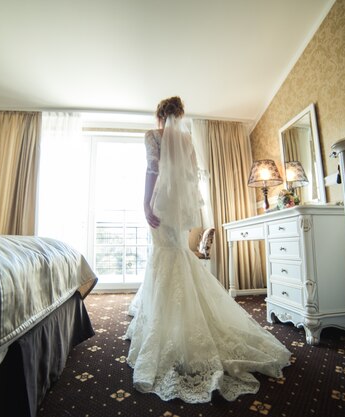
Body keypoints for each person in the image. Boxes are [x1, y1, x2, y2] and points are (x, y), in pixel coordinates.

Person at [125, 96, 291, 403]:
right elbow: (191, 178)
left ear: (160, 116)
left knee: (164, 256)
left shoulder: (153, 136)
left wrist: (145, 203)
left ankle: (166, 324)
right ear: (180, 116)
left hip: (160, 205)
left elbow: (152, 170)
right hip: (178, 211)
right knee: (177, 256)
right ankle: (179, 318)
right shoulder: (187, 140)